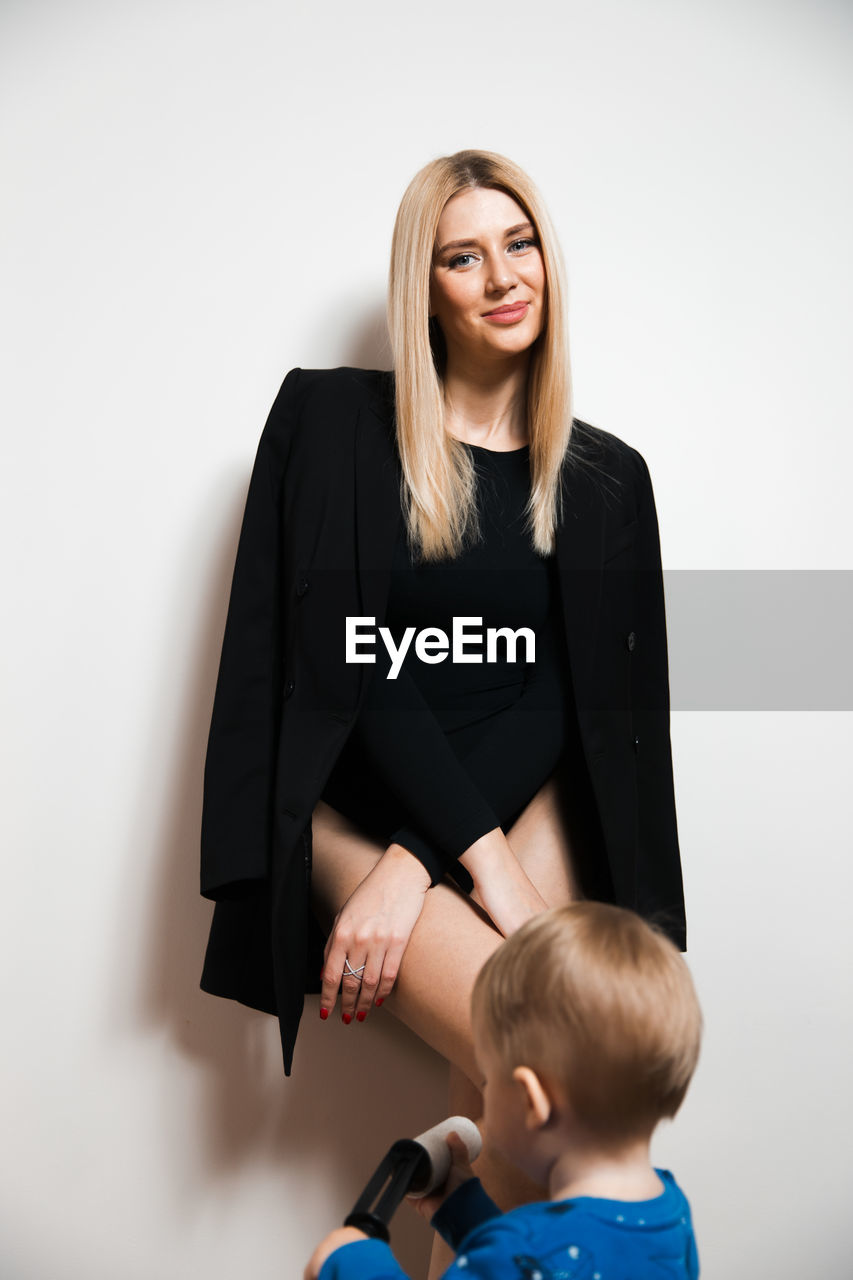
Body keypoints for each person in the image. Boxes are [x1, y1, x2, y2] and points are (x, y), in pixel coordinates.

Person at [198, 148, 686, 1273]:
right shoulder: (331, 425)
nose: (501, 275)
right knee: (544, 1058)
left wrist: (435, 860)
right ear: (425, 286)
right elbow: (347, 662)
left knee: (517, 1109)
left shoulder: (608, 479)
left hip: (526, 797)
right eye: (462, 255)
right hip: (354, 809)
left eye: (519, 245)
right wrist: (436, 855)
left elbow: (577, 694)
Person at [305, 902, 703, 1280]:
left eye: (488, 1080)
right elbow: (530, 1265)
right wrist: (462, 1208)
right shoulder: (670, 1213)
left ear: (532, 1101)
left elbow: (523, 1262)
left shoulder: (530, 1249)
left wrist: (350, 1264)